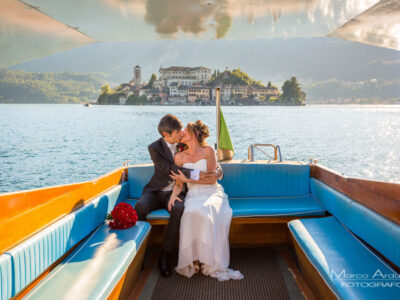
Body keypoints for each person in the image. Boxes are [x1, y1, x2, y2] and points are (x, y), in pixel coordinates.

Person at [135, 114, 222, 277]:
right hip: (156, 191)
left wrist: (218, 172)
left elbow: (203, 154)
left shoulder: (183, 143)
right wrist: (202, 175)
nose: (182, 133)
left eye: (182, 130)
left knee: (179, 209)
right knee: (140, 206)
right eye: (178, 132)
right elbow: (170, 170)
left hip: (177, 191)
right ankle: (137, 253)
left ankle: (166, 255)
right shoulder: (154, 148)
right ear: (166, 135)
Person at [169, 120, 243, 281]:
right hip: (194, 195)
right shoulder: (179, 157)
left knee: (207, 211)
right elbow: (179, 182)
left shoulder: (208, 151)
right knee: (189, 213)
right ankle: (194, 260)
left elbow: (212, 179)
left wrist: (189, 179)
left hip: (212, 193)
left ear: (194, 134)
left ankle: (210, 261)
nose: (182, 133)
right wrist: (174, 194)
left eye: (185, 131)